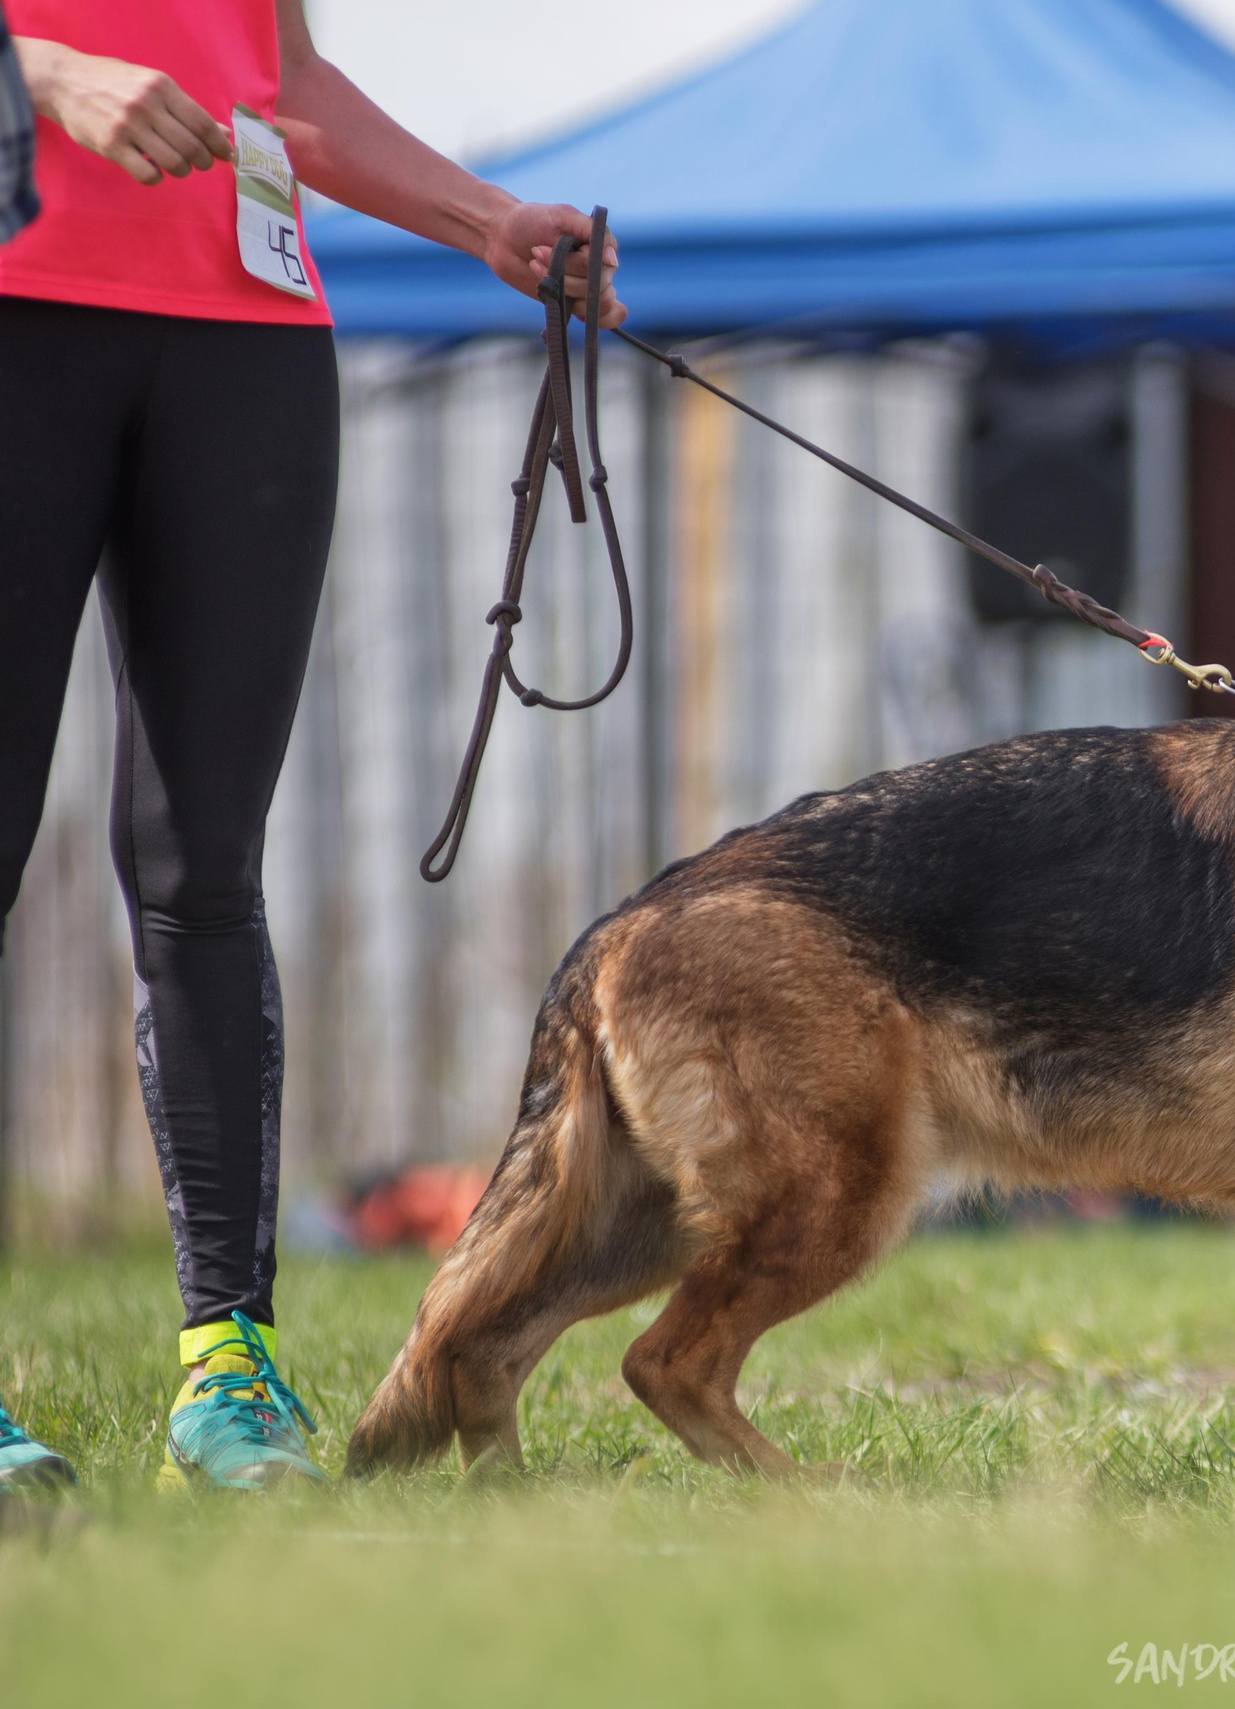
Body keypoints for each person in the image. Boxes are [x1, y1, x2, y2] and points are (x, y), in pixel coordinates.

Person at [0, 0, 622, 1493]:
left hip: (248, 334)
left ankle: (231, 1367)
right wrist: (48, 73)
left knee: (205, 867)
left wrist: (484, 222)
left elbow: (278, 79)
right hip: (20, 301)